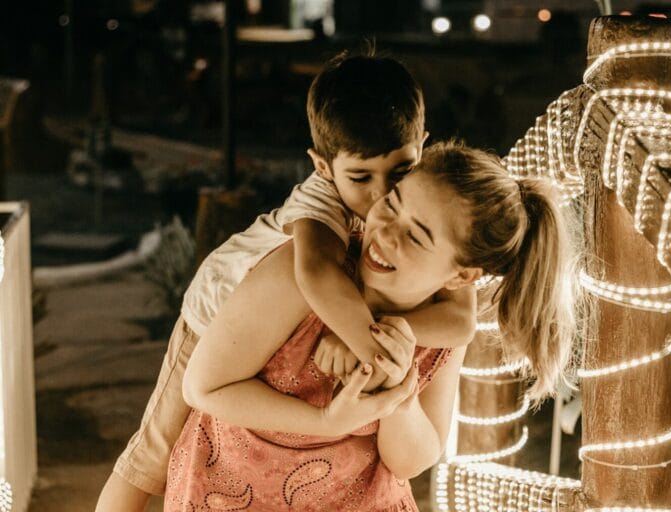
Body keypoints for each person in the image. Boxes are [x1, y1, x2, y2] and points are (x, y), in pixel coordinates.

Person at [96, 52, 476, 511]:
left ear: (422, 146)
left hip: (288, 325)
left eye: (399, 172)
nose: (379, 194)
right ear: (321, 165)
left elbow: (459, 321)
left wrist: (375, 327)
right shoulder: (319, 209)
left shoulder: (415, 207)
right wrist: (363, 342)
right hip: (215, 310)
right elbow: (317, 277)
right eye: (360, 177)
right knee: (153, 452)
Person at [164, 141, 579, 511]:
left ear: (462, 277)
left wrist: (400, 396)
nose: (384, 233)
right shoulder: (305, 274)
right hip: (232, 493)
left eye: (416, 237)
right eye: (393, 203)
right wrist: (327, 421)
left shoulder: (442, 332)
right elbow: (203, 387)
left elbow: (411, 461)